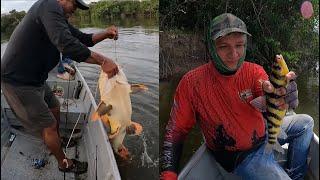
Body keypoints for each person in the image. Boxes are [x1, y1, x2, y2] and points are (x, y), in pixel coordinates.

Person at [160, 13, 314, 180]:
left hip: (265, 134)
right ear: (211, 47)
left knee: (306, 123)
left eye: (239, 45)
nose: (233, 54)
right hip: (241, 157)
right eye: (224, 46)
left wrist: (284, 96)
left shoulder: (254, 71)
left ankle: (295, 175)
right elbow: (175, 131)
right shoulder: (191, 83)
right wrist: (168, 173)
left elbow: (268, 96)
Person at [1, 0, 120, 174]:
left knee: (55, 107)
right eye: (74, 5)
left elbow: (85, 39)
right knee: (48, 125)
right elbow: (67, 44)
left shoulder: (58, 20)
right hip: (18, 82)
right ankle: (64, 164)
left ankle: (57, 141)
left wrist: (106, 33)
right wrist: (103, 61)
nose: (75, 10)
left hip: (36, 79)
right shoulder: (48, 5)